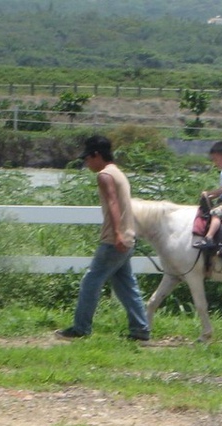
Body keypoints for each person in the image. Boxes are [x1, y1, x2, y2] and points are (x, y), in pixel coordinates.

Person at [55, 135, 150, 342]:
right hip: (128, 237)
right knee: (126, 285)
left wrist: (116, 234)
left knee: (91, 282)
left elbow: (114, 204)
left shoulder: (105, 176)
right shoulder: (119, 173)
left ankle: (81, 328)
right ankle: (140, 329)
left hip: (113, 240)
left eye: (87, 158)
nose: (87, 163)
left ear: (96, 155)